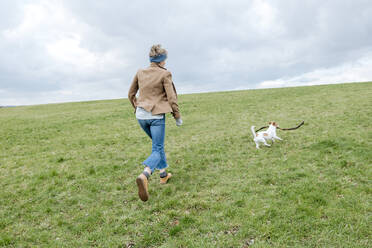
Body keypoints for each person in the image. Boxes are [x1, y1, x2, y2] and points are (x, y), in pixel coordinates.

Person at [128, 44, 182, 202]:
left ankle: (164, 175)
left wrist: (138, 107)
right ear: (162, 60)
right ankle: (145, 174)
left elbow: (131, 93)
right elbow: (171, 97)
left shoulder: (140, 72)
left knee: (157, 146)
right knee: (157, 148)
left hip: (140, 116)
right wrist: (177, 115)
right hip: (156, 117)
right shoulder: (165, 74)